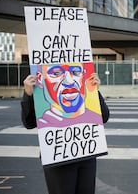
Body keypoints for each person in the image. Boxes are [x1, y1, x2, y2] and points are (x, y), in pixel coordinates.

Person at [21, 65, 109, 194]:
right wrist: (28, 95)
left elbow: (104, 117)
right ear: (40, 79)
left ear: (83, 76)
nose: (68, 81)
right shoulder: (42, 110)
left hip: (86, 155)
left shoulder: (91, 111)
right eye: (56, 73)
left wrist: (95, 91)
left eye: (75, 72)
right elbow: (29, 123)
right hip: (57, 157)